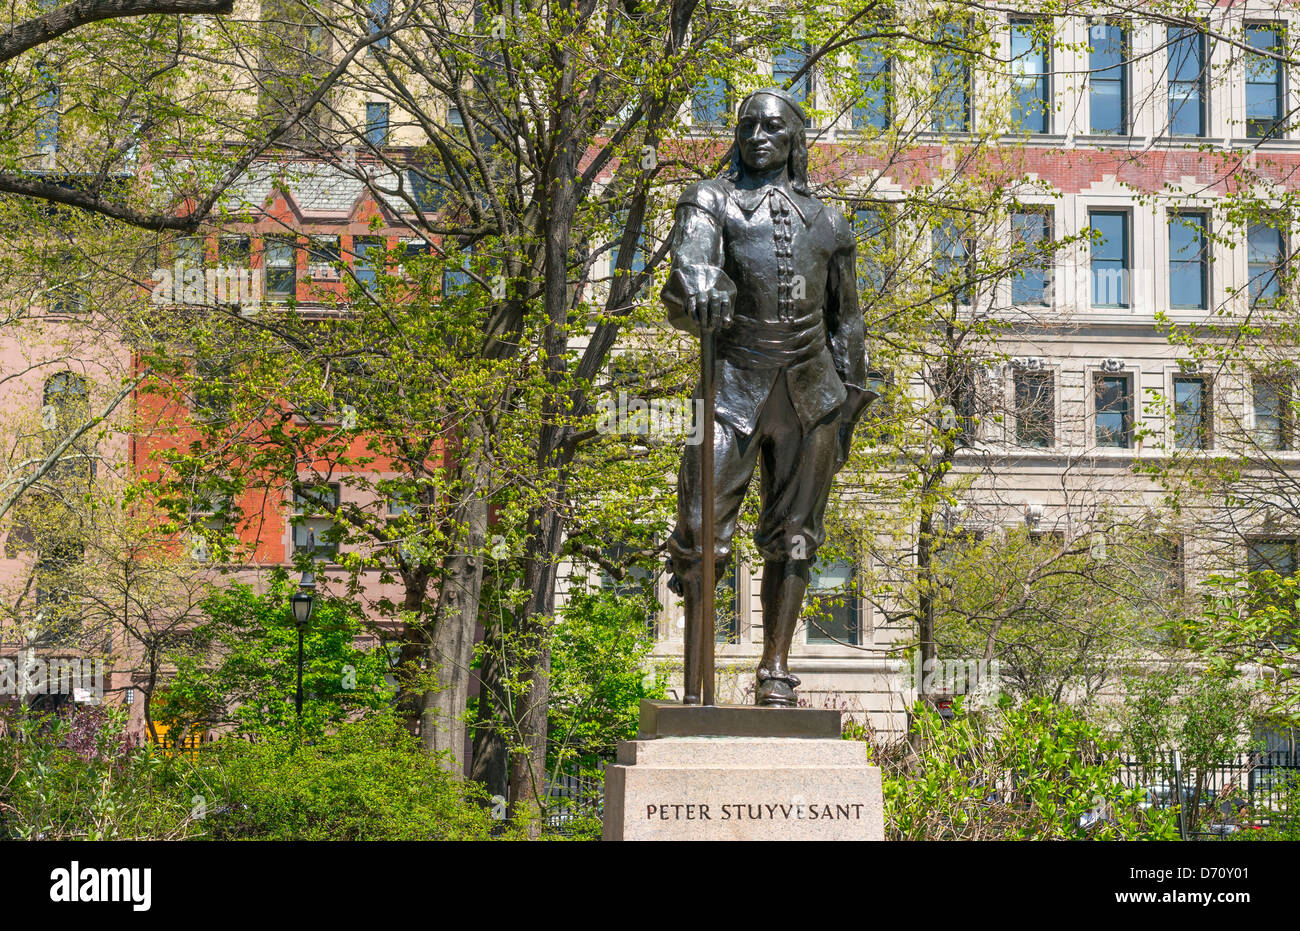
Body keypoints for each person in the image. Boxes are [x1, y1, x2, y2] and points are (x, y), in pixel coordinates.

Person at [661, 87, 872, 707]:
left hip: (812, 394)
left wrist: (852, 397)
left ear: (793, 140)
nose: (757, 135)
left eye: (772, 126)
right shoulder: (709, 200)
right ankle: (696, 682)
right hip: (731, 387)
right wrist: (697, 277)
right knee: (701, 532)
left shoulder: (830, 224)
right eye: (747, 125)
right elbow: (691, 261)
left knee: (798, 533)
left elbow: (848, 319)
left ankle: (775, 669)